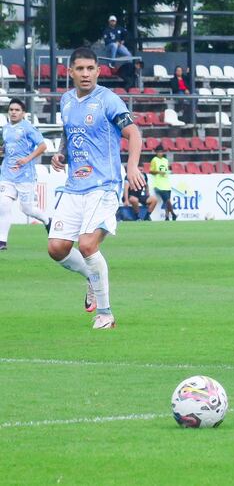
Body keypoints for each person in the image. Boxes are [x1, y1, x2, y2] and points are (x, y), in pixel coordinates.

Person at [48, 47, 144, 329]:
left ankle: (106, 314)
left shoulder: (108, 100)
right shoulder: (66, 100)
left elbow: (133, 133)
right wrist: (62, 154)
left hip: (104, 185)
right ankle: (91, 277)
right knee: (56, 248)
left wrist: (133, 167)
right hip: (74, 186)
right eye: (80, 69)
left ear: (99, 71)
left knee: (88, 244)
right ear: (70, 72)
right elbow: (68, 132)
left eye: (91, 68)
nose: (86, 74)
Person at [0, 98, 51, 250]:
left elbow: (43, 146)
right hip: (7, 175)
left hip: (25, 176)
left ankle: (47, 220)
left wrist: (27, 158)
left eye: (17, 110)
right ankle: (2, 241)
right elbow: (7, 148)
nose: (13, 112)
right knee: (3, 205)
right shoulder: (6, 128)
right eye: (11, 110)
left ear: (23, 113)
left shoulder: (28, 128)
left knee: (26, 209)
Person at [149, 148, 177, 221]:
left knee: (166, 201)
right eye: (158, 152)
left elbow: (166, 170)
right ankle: (173, 214)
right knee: (167, 200)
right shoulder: (154, 160)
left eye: (161, 152)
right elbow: (151, 171)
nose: (160, 153)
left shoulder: (165, 160)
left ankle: (167, 216)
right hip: (158, 184)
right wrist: (158, 172)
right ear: (156, 153)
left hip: (166, 184)